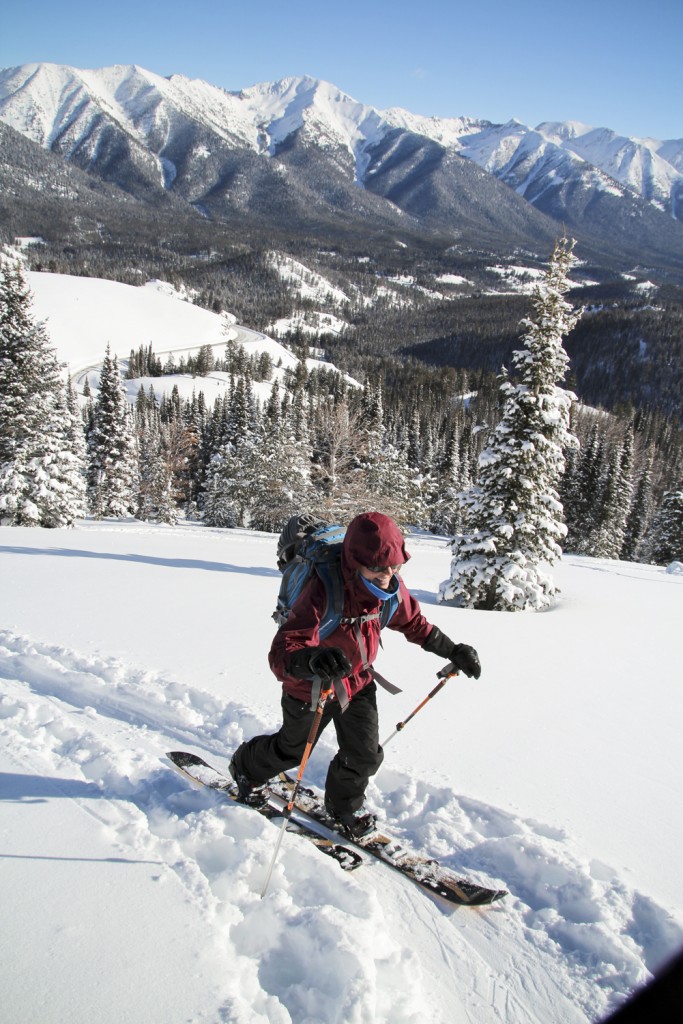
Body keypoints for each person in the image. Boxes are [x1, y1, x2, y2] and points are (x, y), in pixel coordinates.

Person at [229, 511, 481, 838]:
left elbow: (414, 624)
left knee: (364, 755)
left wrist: (452, 650)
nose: (386, 576)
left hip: (358, 681)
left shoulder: (389, 588)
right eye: (377, 568)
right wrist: (312, 659)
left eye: (394, 567)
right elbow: (283, 650)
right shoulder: (323, 587)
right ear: (354, 561)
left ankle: (344, 806)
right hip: (310, 688)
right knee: (291, 751)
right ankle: (246, 769)